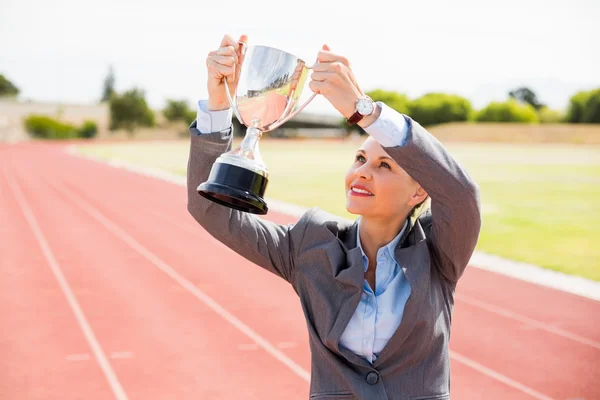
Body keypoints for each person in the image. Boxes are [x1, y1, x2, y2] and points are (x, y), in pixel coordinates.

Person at [187, 34, 482, 400]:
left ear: (419, 192)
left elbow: (461, 193)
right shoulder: (310, 244)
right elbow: (210, 209)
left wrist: (366, 113)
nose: (362, 172)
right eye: (359, 159)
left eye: (384, 165)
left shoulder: (440, 253)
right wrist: (218, 106)